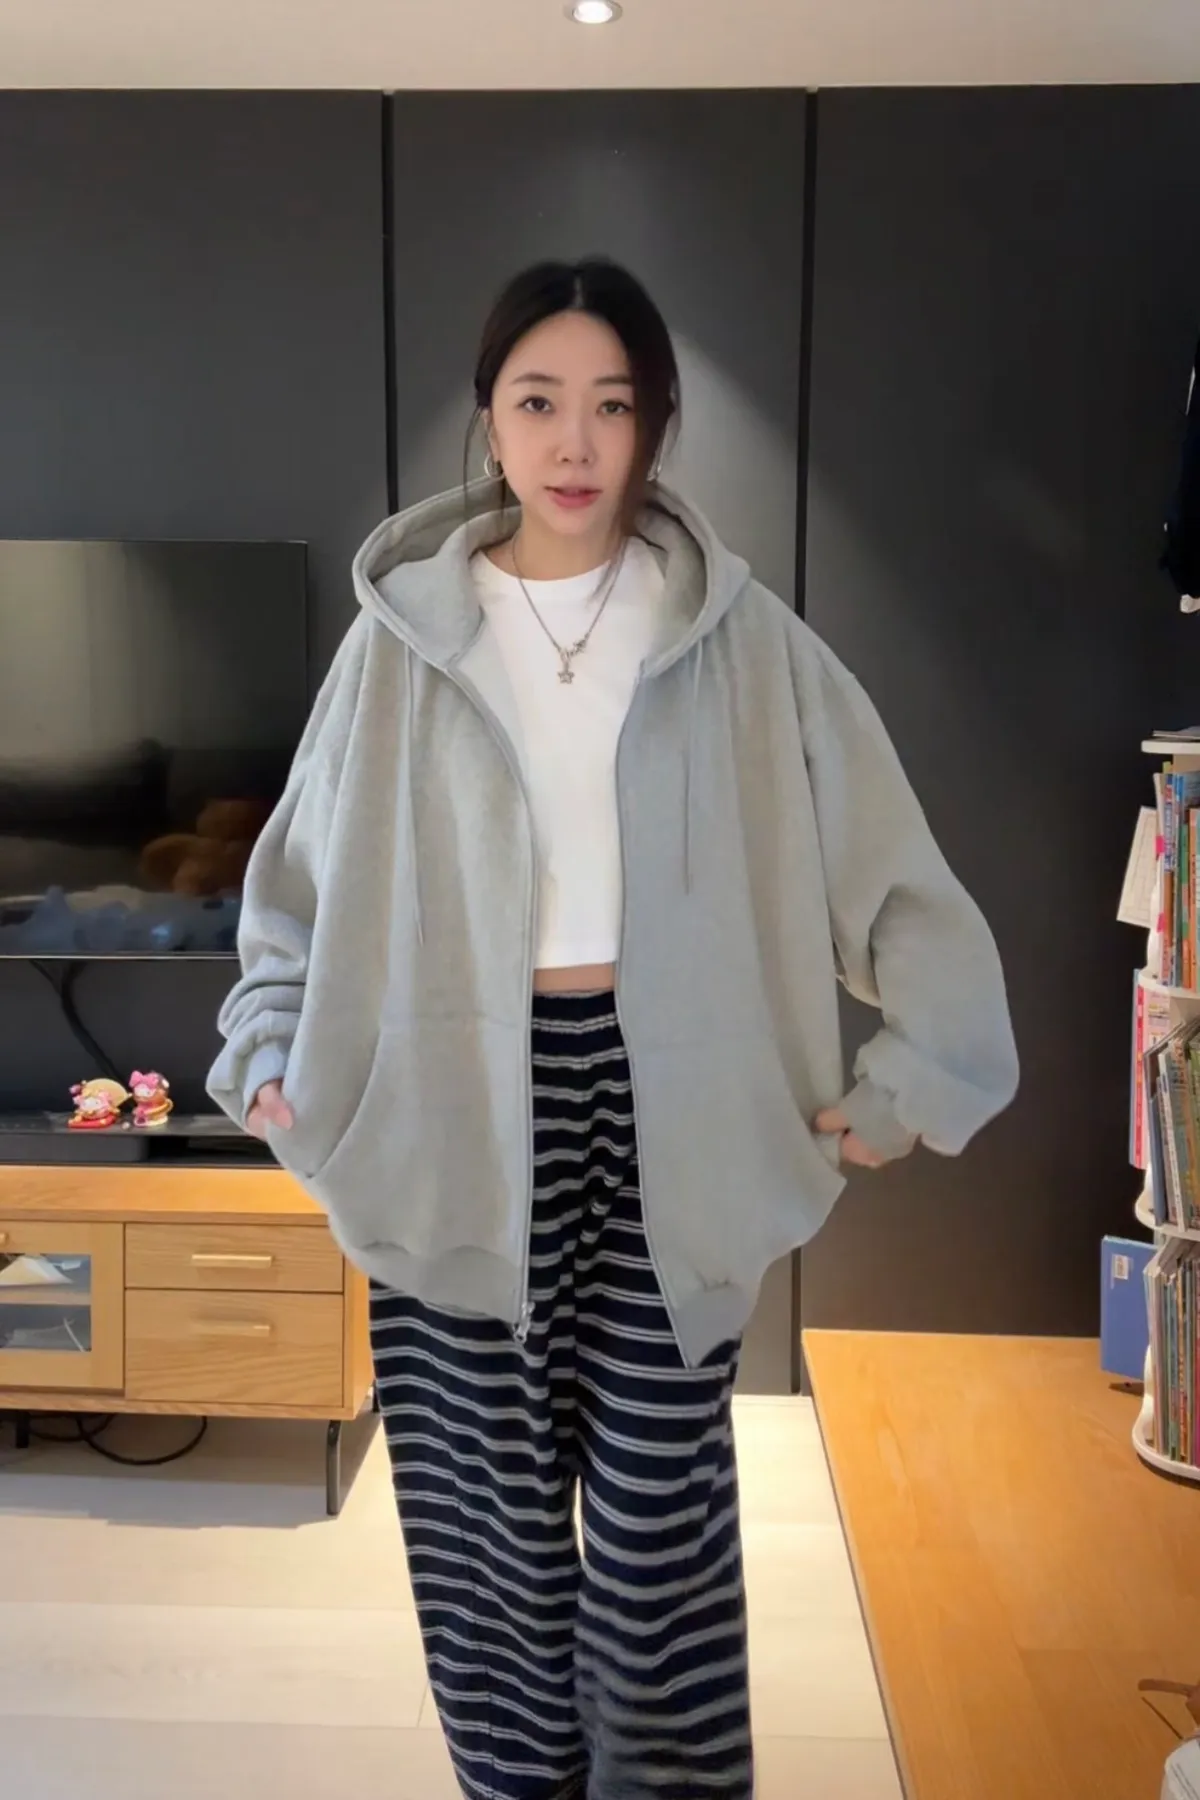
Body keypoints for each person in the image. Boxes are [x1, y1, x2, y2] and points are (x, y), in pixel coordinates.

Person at [207, 256, 1019, 1800]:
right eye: (538, 402)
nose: (574, 441)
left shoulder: (737, 635)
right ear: (490, 418)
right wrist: (265, 1046)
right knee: (489, 1543)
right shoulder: (403, 640)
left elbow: (889, 864)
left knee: (658, 1540)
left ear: (654, 422)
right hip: (455, 1114)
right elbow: (297, 880)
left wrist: (912, 1077)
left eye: (611, 404)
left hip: (670, 1117)